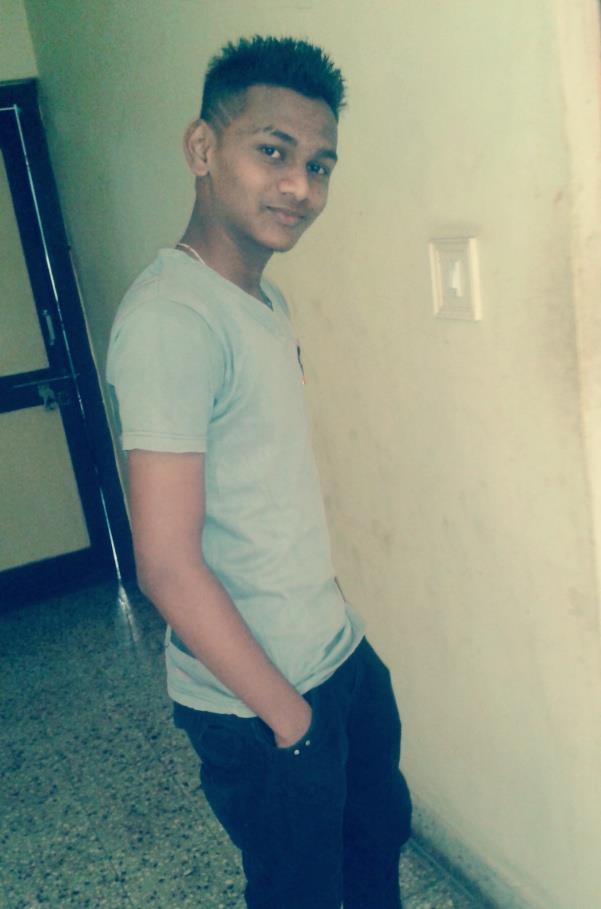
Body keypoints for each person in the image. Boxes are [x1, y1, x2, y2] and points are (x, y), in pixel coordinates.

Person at [106, 35, 411, 909]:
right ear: (202, 148)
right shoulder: (172, 320)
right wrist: (291, 720)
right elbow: (166, 564)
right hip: (260, 706)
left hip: (336, 658)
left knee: (372, 860)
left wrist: (336, 637)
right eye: (273, 152)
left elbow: (264, 492)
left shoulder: (260, 300)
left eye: (319, 165)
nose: (300, 187)